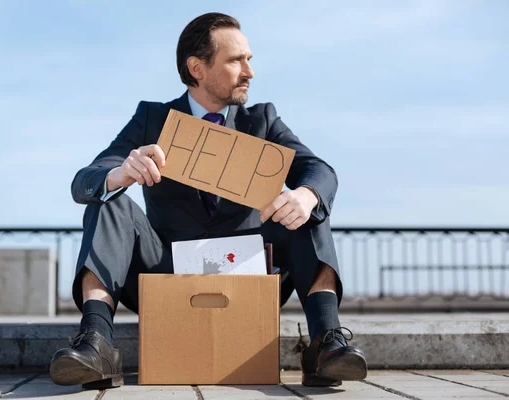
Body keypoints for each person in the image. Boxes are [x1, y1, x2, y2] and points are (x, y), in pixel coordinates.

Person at [49, 12, 367, 390]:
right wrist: (119, 174)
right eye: (236, 60)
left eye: (249, 59)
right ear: (197, 68)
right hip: (165, 269)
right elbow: (84, 180)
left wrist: (306, 194)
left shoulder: (261, 120)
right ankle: (97, 343)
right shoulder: (153, 118)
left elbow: (319, 170)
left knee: (307, 207)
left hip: (246, 271)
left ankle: (326, 344)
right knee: (108, 199)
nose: (249, 71)